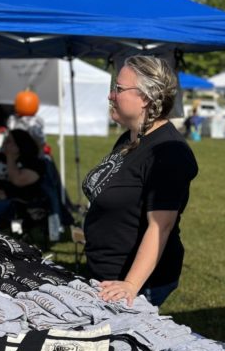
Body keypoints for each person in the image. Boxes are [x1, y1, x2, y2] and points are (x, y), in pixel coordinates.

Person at [82, 55, 198, 307]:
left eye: (118, 89)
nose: (111, 95)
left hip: (136, 284)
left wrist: (131, 285)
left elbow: (160, 226)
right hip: (104, 274)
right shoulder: (130, 138)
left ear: (146, 97)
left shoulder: (169, 152)